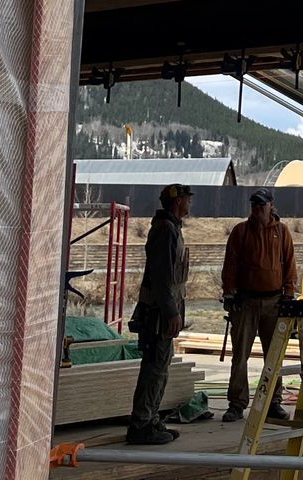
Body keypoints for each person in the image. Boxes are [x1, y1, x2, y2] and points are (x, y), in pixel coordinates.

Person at [220, 188, 296, 423]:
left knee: (274, 356)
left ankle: (273, 402)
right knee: (240, 356)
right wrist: (229, 294)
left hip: (274, 303)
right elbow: (230, 265)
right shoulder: (240, 231)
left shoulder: (282, 232)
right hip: (246, 302)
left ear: (271, 205)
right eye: (254, 205)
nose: (257, 209)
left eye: (261, 205)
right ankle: (237, 404)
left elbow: (290, 264)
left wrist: (289, 294)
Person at [125, 182, 192, 446]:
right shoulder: (166, 230)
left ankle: (150, 419)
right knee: (154, 369)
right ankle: (142, 424)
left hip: (161, 311)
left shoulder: (170, 228)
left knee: (160, 367)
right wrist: (171, 312)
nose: (189, 203)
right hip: (158, 314)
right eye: (187, 198)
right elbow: (163, 277)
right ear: (178, 201)